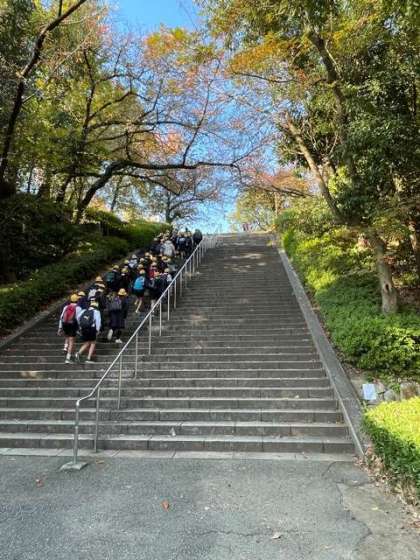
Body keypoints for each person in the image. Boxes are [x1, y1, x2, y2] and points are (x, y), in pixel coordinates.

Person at [58, 294, 81, 363]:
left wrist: (60, 328)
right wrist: (79, 328)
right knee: (71, 341)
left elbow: (61, 317)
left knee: (68, 337)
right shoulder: (78, 308)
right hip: (72, 325)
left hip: (65, 324)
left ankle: (66, 348)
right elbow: (79, 319)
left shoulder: (66, 307)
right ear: (77, 300)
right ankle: (68, 358)